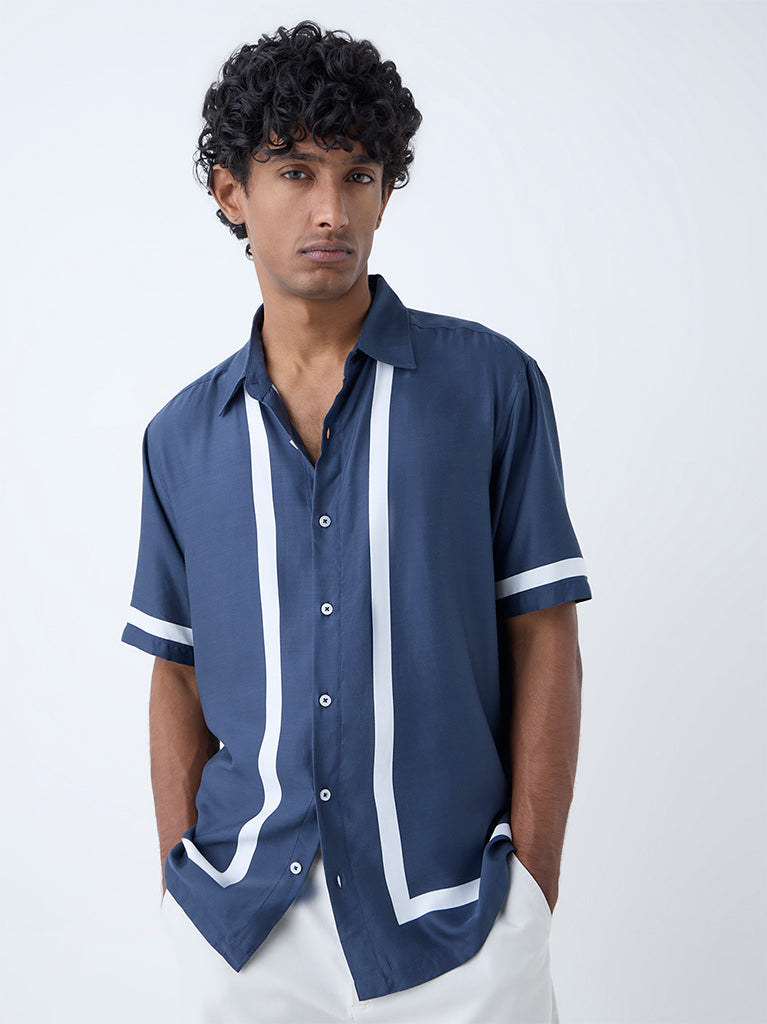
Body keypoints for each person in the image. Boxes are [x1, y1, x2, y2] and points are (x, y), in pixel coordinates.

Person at [121, 20, 592, 1024]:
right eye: (295, 172)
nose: (332, 209)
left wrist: (533, 890)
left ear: (385, 191)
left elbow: (544, 629)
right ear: (231, 191)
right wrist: (179, 888)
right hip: (245, 931)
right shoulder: (181, 439)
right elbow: (176, 670)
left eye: (360, 175)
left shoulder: (490, 387)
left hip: (457, 919)